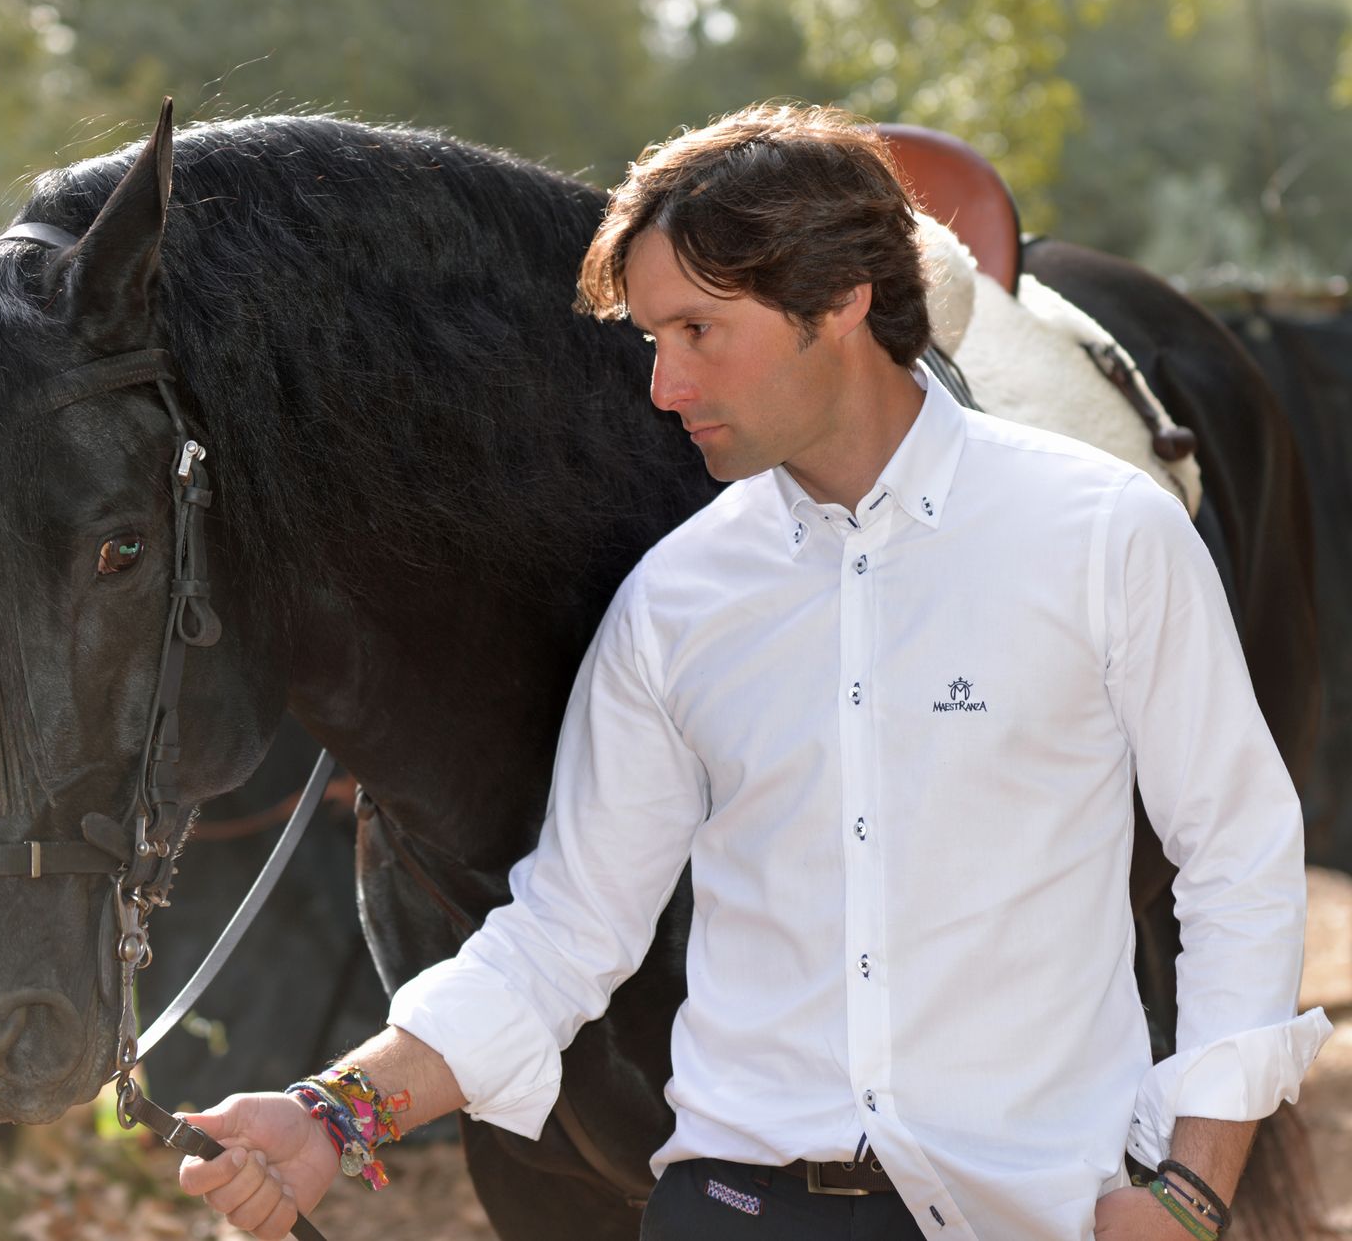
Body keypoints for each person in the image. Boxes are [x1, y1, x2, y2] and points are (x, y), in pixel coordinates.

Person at [176, 104, 1331, 1240]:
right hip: (730, 1208)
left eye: (698, 331)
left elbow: (1237, 857)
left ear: (839, 301)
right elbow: (563, 935)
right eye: (652, 340)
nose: (662, 386)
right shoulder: (674, 601)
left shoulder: (1105, 534)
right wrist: (332, 1114)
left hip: (1024, 1210)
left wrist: (1190, 1189)